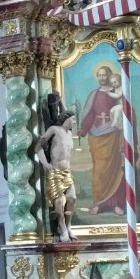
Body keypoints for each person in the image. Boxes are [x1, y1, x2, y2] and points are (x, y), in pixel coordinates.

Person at [78, 63, 126, 215]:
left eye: (104, 75)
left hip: (113, 134)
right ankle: (99, 203)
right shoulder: (94, 94)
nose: (102, 78)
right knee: (99, 171)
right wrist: (83, 129)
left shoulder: (117, 92)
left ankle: (116, 204)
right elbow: (90, 114)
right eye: (99, 75)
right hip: (96, 135)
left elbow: (125, 110)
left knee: (115, 169)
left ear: (110, 76)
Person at [37, 97, 77, 242]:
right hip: (55, 171)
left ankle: (68, 225)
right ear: (67, 119)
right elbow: (38, 147)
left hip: (67, 172)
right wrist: (46, 165)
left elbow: (66, 112)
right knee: (59, 201)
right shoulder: (53, 130)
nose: (74, 121)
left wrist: (61, 102)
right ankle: (62, 227)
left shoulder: (69, 134)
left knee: (72, 198)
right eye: (73, 119)